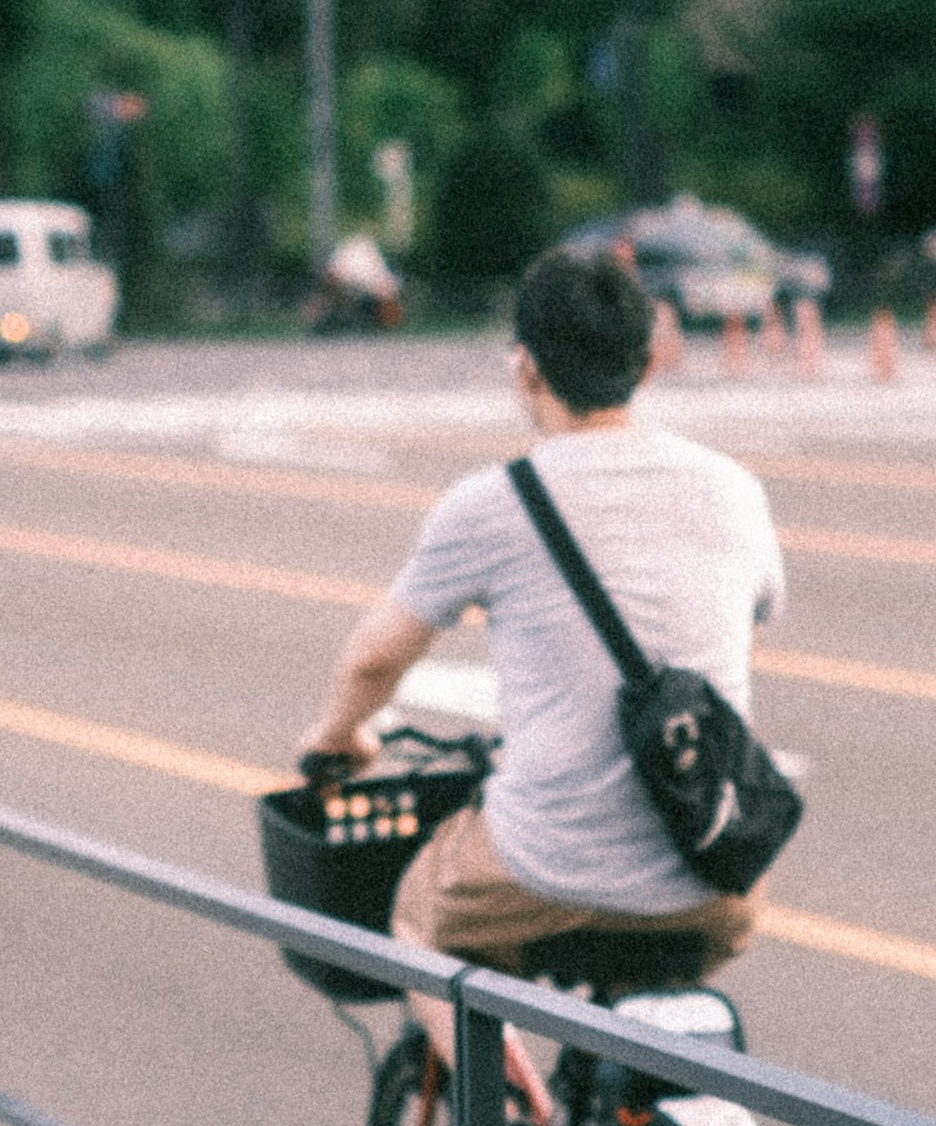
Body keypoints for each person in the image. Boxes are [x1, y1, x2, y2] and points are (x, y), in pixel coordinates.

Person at [296, 247, 787, 1051]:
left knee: (420, 923)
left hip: (546, 866)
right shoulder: (733, 488)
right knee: (655, 948)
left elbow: (373, 660)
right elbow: (751, 617)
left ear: (525, 367)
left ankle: (512, 1122)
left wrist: (337, 737)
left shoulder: (491, 505)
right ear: (648, 361)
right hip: (716, 877)